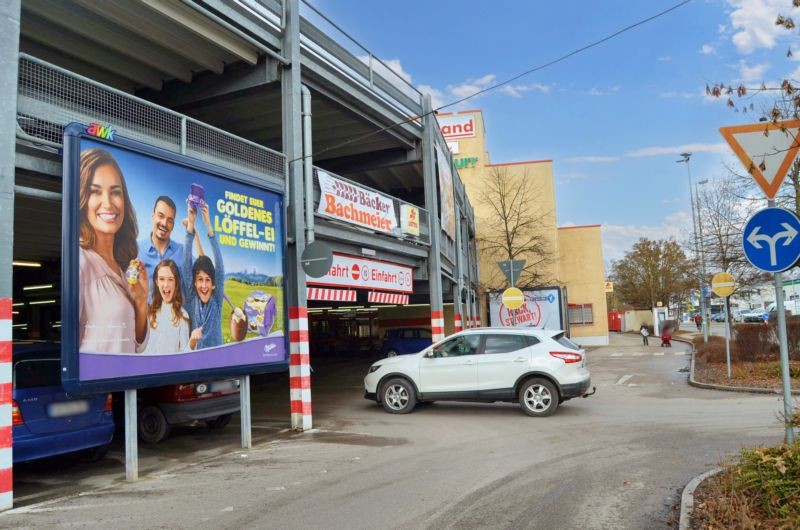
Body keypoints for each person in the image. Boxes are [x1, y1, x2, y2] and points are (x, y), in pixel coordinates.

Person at [78, 148, 148, 353]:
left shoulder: (124, 266)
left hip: (124, 383)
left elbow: (137, 346)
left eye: (115, 192)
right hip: (97, 385)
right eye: (95, 191)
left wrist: (141, 301)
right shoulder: (81, 262)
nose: (108, 203)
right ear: (83, 199)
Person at [182, 203, 225, 350]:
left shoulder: (217, 300)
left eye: (208, 280)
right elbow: (186, 262)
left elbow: (219, 265)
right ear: (194, 283)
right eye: (200, 280)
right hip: (197, 361)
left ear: (213, 283)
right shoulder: (192, 298)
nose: (204, 285)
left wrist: (209, 227)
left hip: (218, 360)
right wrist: (191, 224)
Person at [138, 196, 184, 298]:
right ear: (153, 216)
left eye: (169, 220)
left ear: (173, 225)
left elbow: (205, 269)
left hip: (175, 313)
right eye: (161, 216)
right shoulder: (135, 250)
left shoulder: (182, 251)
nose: (164, 223)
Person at [142, 259, 190, 353]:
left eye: (170, 279)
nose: (166, 285)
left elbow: (185, 354)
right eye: (162, 279)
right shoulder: (149, 312)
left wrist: (192, 343)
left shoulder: (183, 315)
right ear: (156, 282)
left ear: (176, 282)